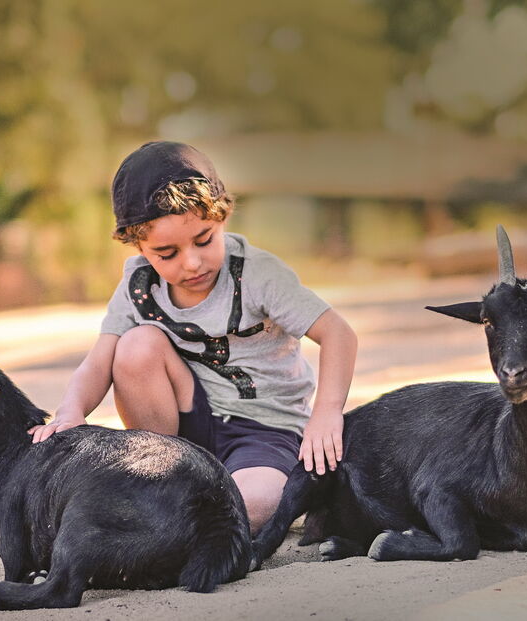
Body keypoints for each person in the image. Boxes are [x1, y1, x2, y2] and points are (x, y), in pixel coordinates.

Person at [28, 141, 357, 532]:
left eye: (204, 240)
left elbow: (338, 333)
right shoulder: (139, 286)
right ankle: (160, 470)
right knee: (135, 346)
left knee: (247, 506)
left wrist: (326, 413)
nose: (193, 262)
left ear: (223, 218)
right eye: (167, 253)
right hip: (189, 425)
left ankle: (184, 516)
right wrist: (71, 412)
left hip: (265, 429)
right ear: (138, 246)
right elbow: (100, 360)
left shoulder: (258, 274)